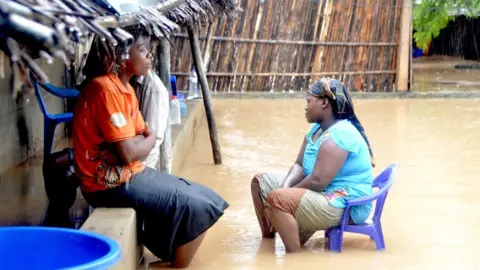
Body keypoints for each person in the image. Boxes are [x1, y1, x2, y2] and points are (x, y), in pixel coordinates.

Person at [72, 33, 229, 268]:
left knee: (206, 196)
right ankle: (174, 266)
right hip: (107, 185)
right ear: (122, 54)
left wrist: (141, 141)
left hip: (130, 171)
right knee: (197, 205)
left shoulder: (125, 89)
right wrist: (138, 142)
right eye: (143, 50)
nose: (149, 56)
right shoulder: (106, 89)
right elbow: (131, 150)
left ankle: (166, 254)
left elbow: (145, 140)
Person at [250, 78, 375, 253]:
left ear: (324, 102)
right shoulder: (316, 130)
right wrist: (285, 187)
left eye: (309, 101)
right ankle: (269, 240)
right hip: (322, 193)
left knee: (277, 199)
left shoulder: (340, 135)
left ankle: (294, 257)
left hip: (345, 203)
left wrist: (285, 196)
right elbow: (299, 165)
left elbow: (318, 181)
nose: (305, 106)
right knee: (259, 182)